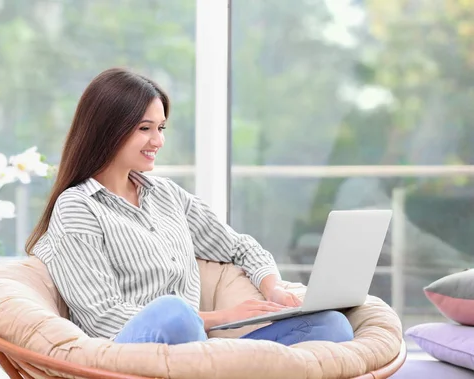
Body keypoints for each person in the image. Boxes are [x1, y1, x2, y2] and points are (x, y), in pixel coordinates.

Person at [26, 67, 354, 345]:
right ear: (108, 129)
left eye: (161, 128)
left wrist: (274, 288)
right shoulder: (77, 207)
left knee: (330, 326)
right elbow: (104, 317)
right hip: (129, 358)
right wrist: (221, 318)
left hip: (198, 354)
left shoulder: (168, 195)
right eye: (145, 128)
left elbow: (240, 248)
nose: (158, 141)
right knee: (174, 313)